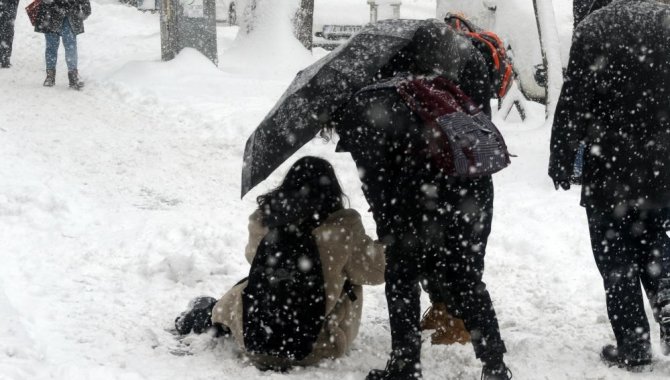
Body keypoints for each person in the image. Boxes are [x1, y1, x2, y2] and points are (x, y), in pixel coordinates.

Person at [332, 20, 511, 380]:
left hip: (416, 198)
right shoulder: (438, 90)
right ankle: (494, 364)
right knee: (466, 277)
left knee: (402, 277)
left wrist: (390, 226)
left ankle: (404, 365)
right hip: (468, 193)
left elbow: (377, 179)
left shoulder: (367, 101)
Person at [175, 156, 386, 370]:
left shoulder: (266, 220)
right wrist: (385, 238)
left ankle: (209, 315)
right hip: (317, 346)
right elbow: (378, 272)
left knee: (252, 285)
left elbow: (252, 257)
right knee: (351, 275)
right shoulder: (343, 231)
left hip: (256, 339)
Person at [549, 0, 670, 369]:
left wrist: (562, 158)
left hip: (610, 164)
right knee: (653, 236)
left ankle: (633, 347)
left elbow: (574, 101)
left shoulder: (595, 27)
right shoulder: (666, 20)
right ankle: (667, 296)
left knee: (615, 252)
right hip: (662, 161)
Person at [35, 0, 91, 89]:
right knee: (52, 46)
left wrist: (85, 5)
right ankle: (50, 75)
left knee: (70, 46)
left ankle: (73, 75)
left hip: (68, 13)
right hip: (51, 12)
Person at [0, 0, 19, 68]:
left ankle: (5, 58)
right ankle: (5, 58)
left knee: (7, 35)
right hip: (9, 12)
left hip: (8, 12)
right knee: (7, 35)